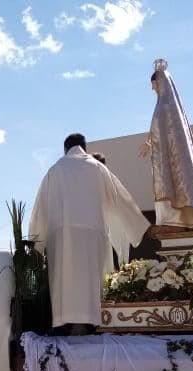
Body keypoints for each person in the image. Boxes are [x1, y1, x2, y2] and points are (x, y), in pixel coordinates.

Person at [29, 133, 150, 334]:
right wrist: (139, 226)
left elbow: (40, 208)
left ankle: (65, 325)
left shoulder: (54, 171)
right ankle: (93, 323)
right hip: (93, 236)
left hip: (62, 239)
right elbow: (119, 197)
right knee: (92, 280)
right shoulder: (98, 168)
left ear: (65, 149)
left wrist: (36, 242)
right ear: (84, 147)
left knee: (65, 281)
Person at [138, 58, 193, 238]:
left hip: (175, 157)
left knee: (180, 186)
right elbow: (161, 131)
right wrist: (151, 142)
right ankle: (179, 221)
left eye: (153, 84)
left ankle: (186, 221)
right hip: (170, 154)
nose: (152, 88)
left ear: (158, 82)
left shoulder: (165, 106)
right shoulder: (166, 105)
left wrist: (150, 142)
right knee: (177, 187)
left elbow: (161, 130)